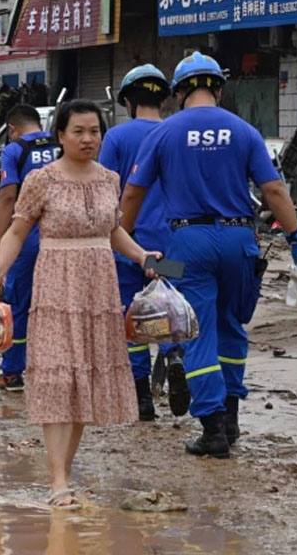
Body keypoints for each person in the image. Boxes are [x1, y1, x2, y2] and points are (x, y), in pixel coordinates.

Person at [0, 99, 159, 509]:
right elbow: (17, 233)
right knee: (58, 379)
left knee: (82, 384)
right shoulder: (42, 179)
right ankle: (58, 481)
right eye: (78, 131)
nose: (88, 138)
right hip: (56, 284)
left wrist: (142, 256)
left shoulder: (110, 179)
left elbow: (113, 231)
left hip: (99, 288)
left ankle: (66, 472)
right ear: (60, 135)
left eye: (94, 131)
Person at [123, 52, 297, 458]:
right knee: (233, 327)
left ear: (180, 92)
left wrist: (125, 236)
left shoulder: (164, 133)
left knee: (198, 331)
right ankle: (233, 416)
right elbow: (274, 191)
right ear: (218, 89)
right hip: (240, 240)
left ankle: (213, 429)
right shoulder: (244, 131)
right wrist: (296, 237)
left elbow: (135, 191)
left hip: (189, 243)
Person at [99, 64, 183, 422]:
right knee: (167, 308)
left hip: (127, 244)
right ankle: (175, 354)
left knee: (130, 318)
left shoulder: (117, 138)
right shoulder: (176, 133)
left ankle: (142, 400)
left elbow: (103, 189)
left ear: (129, 102)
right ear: (163, 99)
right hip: (171, 245)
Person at [0, 105, 60, 392]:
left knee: (19, 302)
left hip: (29, 234)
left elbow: (8, 196)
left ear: (12, 129)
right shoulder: (61, 143)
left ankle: (12, 373)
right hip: (62, 234)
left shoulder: (15, 150)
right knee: (58, 304)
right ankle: (56, 370)